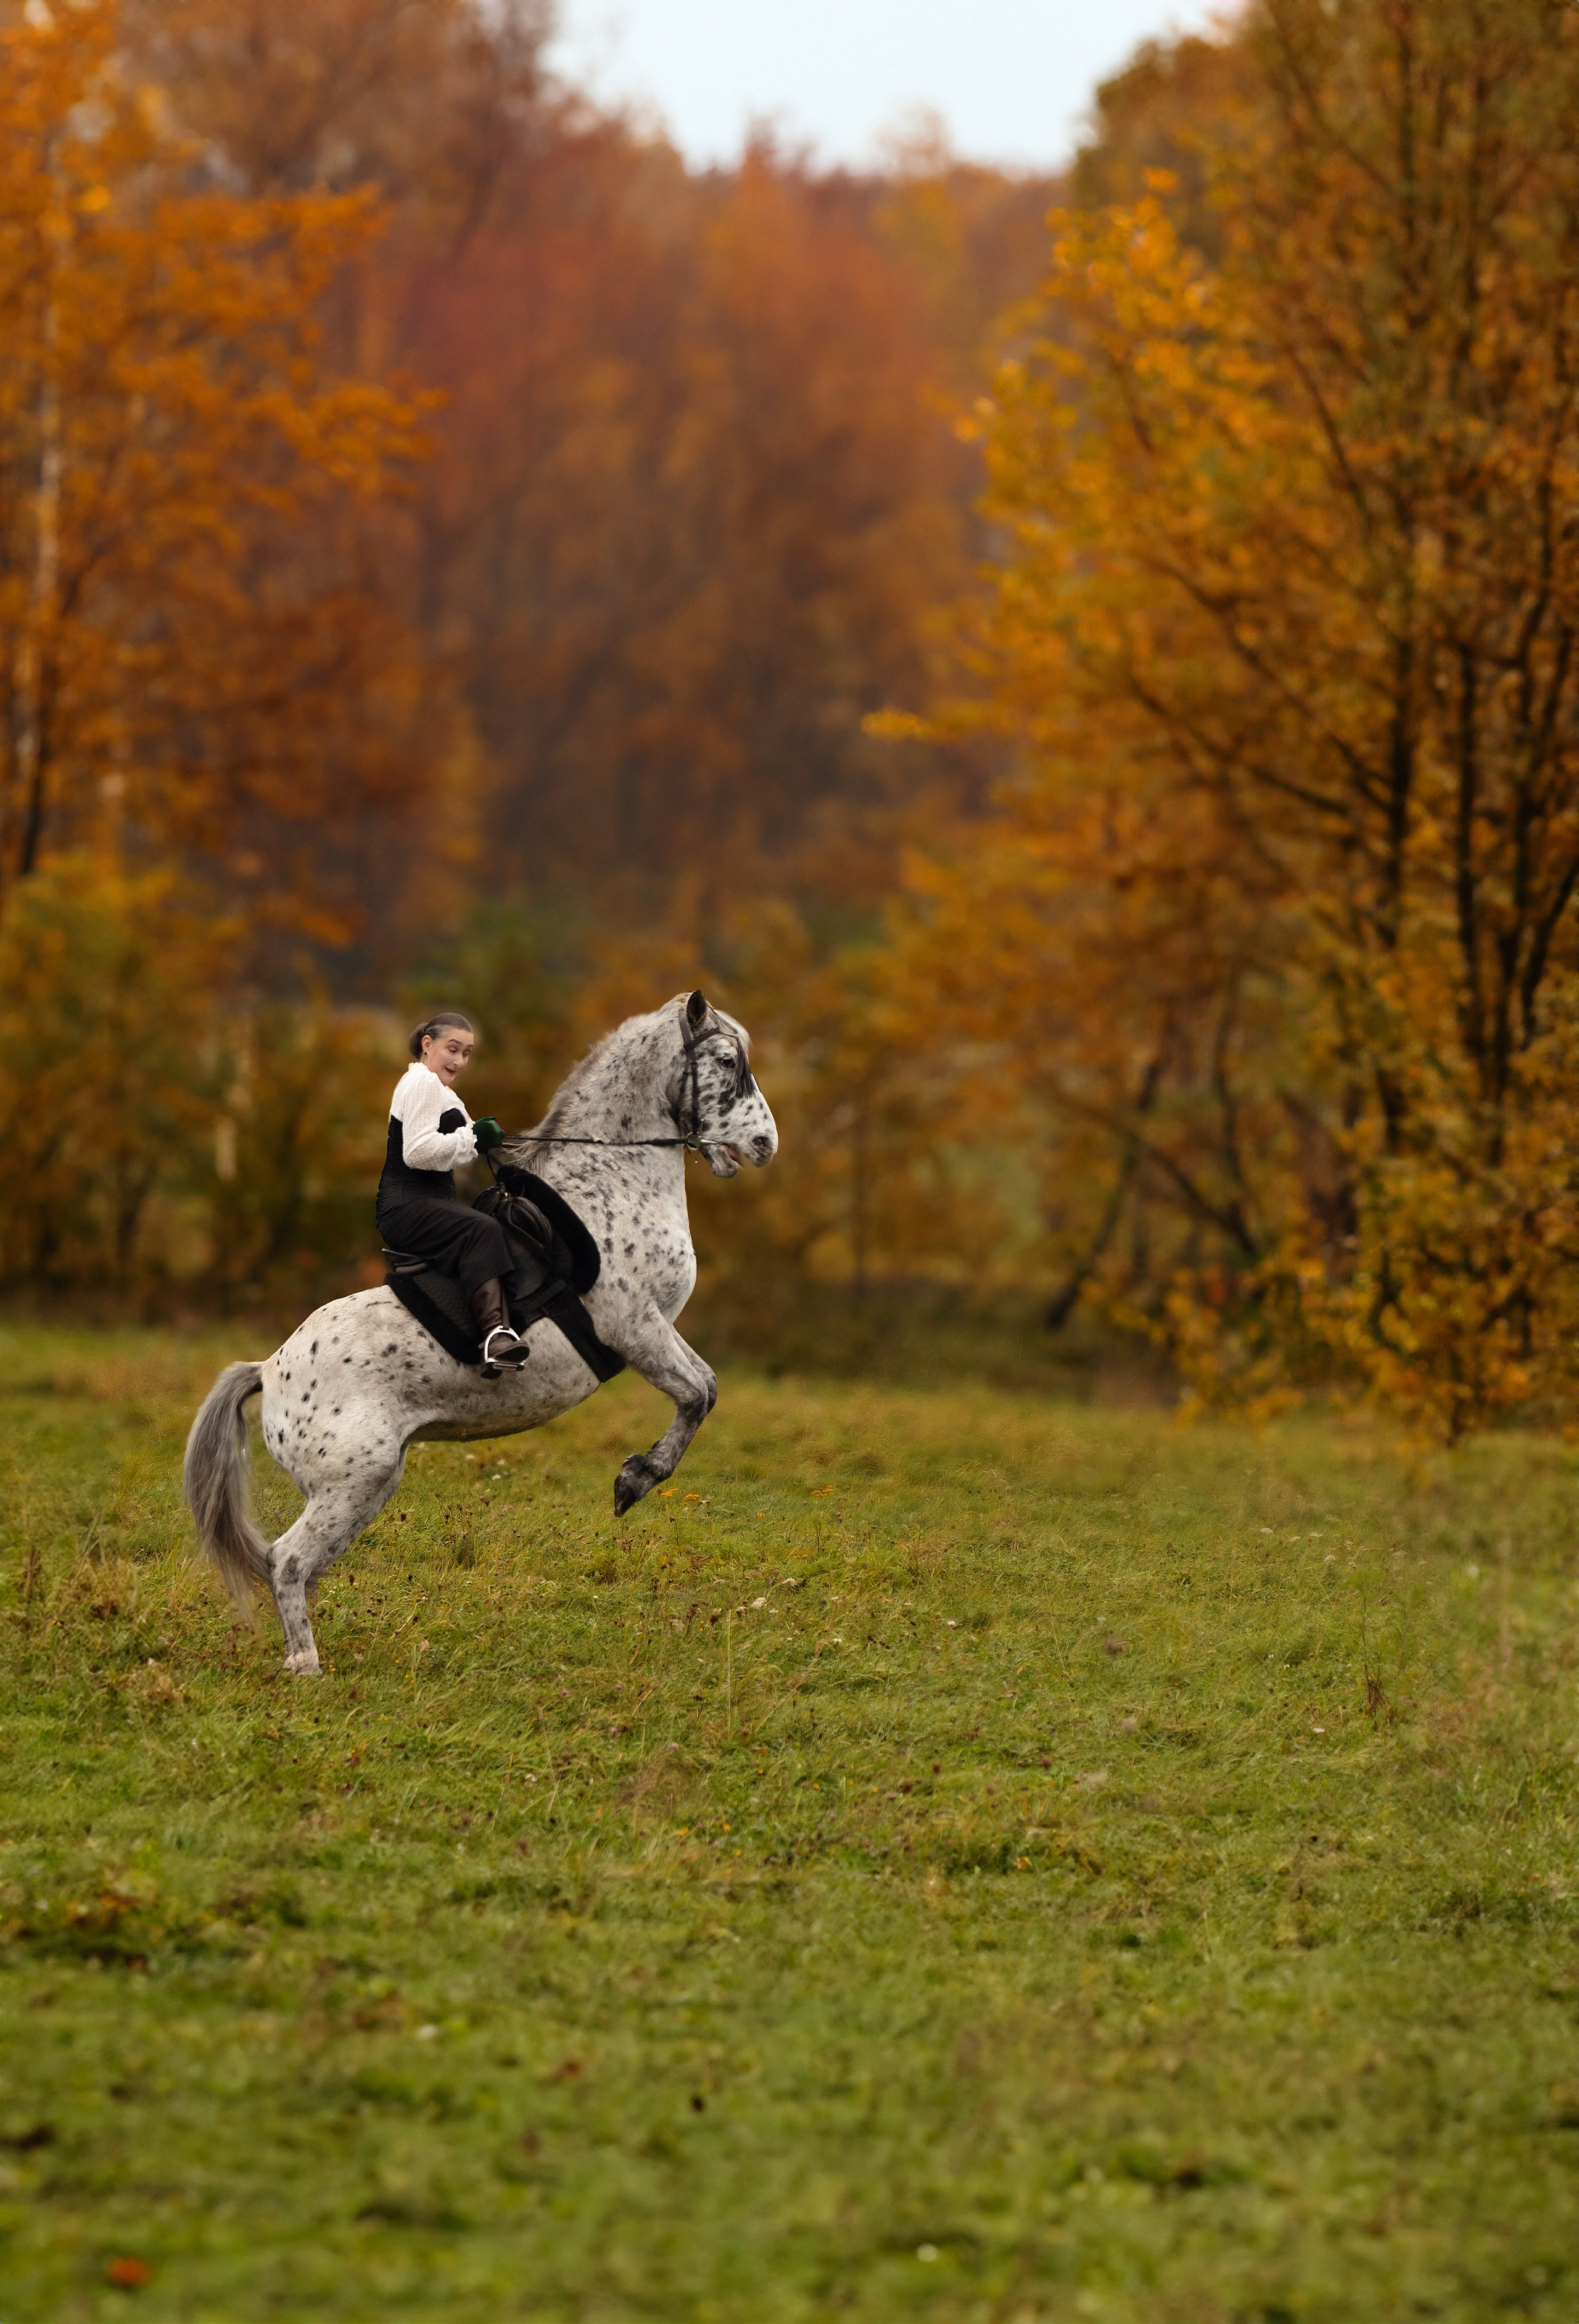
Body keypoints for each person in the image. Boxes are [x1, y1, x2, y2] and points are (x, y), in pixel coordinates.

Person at [376, 1010, 527, 1371]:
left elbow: (453, 1145)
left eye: (467, 1053)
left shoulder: (440, 1092)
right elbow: (418, 1152)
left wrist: (483, 1138)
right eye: (453, 1049)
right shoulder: (423, 1084)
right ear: (427, 1045)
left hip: (424, 1203)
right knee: (482, 1229)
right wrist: (475, 1137)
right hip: (407, 1205)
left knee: (496, 1221)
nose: (460, 1061)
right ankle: (495, 1335)